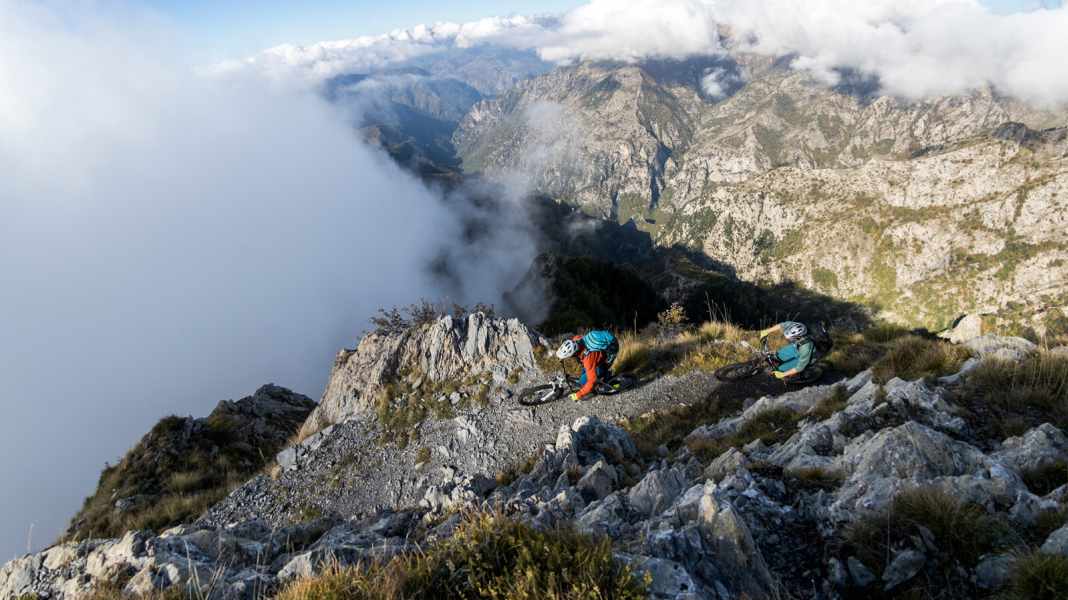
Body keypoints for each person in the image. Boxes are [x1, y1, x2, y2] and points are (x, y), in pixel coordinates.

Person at [555, 330, 619, 401]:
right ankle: (604, 373)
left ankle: (612, 383)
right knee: (584, 372)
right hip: (602, 349)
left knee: (583, 381)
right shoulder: (577, 339)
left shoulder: (588, 359)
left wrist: (578, 395)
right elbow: (568, 347)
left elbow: (592, 381)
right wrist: (561, 356)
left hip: (611, 349)